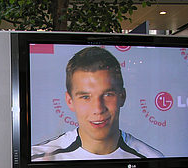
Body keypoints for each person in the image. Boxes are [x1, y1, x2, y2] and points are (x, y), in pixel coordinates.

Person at [31, 46, 164, 161]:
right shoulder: (37, 157)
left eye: (107, 95)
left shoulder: (152, 159)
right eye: (85, 97)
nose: (98, 109)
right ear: (69, 101)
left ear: (122, 97)